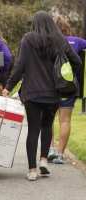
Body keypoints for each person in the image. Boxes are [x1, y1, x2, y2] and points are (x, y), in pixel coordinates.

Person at [2, 11, 82, 181]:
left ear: (35, 23)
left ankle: (32, 170)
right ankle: (44, 160)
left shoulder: (28, 39)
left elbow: (20, 66)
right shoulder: (60, 39)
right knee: (47, 125)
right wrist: (64, 75)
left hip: (32, 93)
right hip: (53, 93)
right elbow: (77, 61)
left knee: (33, 129)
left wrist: (8, 87)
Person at [47, 16, 86, 164]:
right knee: (65, 120)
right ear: (67, 28)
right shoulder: (77, 41)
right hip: (69, 85)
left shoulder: (49, 41)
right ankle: (61, 154)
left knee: (48, 119)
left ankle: (50, 149)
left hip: (50, 85)